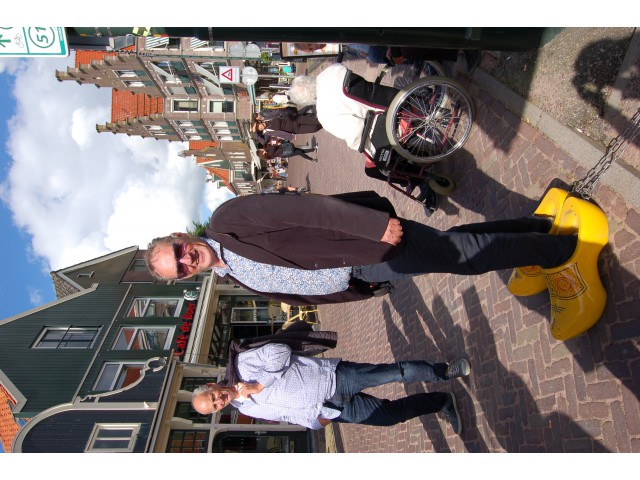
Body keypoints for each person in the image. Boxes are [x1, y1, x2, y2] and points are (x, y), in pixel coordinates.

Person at [144, 190, 579, 306]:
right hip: (364, 271)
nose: (185, 260)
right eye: (178, 269)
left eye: (177, 252)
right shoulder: (231, 275)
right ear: (185, 278)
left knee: (460, 256)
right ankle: (535, 228)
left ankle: (561, 252)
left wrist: (372, 226)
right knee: (452, 245)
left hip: (365, 243)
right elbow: (299, 292)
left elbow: (303, 209)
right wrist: (358, 291)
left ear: (181, 237)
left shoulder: (227, 221)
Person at [191, 342, 469, 433]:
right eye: (215, 406)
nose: (219, 400)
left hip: (335, 378)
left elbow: (281, 351)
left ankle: (445, 371)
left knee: (395, 373)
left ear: (211, 385)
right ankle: (441, 402)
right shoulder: (246, 409)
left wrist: (259, 383)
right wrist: (316, 423)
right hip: (332, 410)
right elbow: (285, 415)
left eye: (212, 396)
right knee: (390, 417)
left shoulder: (241, 365)